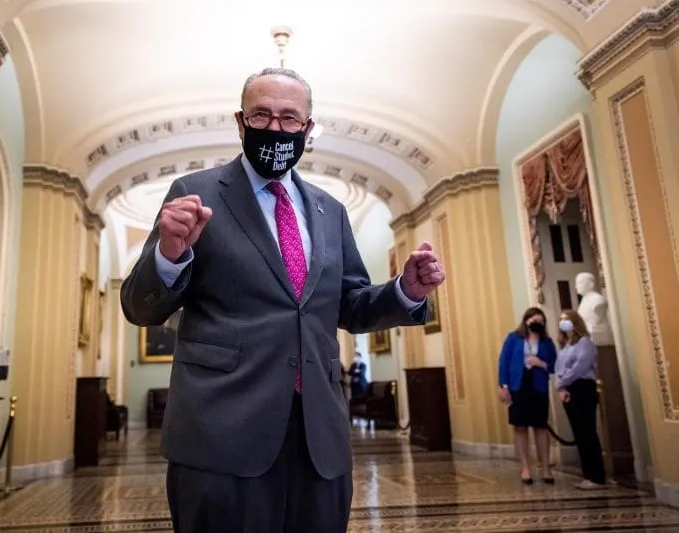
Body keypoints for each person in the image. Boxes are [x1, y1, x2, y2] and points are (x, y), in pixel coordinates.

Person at [120, 67, 445, 533]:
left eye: (290, 118)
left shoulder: (329, 210)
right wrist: (170, 255)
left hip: (319, 437)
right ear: (240, 122)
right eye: (262, 114)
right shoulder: (195, 194)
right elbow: (140, 307)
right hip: (222, 434)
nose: (275, 127)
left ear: (308, 129)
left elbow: (349, 304)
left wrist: (406, 291)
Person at [498, 307, 557, 485]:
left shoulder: (547, 342)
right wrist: (503, 385)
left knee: (540, 427)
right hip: (518, 385)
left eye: (540, 321)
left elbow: (555, 365)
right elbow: (504, 361)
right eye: (533, 320)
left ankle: (546, 467)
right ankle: (525, 467)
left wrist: (541, 363)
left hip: (538, 386)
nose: (536, 324)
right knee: (520, 427)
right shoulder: (514, 338)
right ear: (526, 321)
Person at [555, 309, 606, 490]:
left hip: (583, 388)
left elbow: (580, 366)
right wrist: (560, 387)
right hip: (568, 390)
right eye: (561, 320)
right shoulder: (564, 346)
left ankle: (597, 476)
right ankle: (588, 475)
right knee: (579, 433)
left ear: (575, 322)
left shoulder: (584, 342)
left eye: (567, 319)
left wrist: (563, 382)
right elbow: (558, 368)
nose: (563, 323)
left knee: (587, 432)